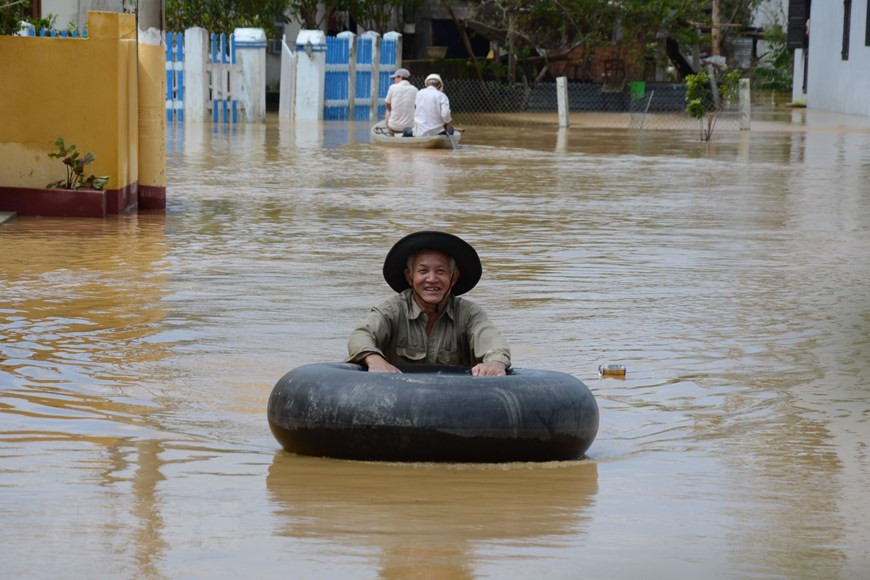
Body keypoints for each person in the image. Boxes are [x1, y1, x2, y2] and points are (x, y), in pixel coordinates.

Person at [348, 231, 511, 377]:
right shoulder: (391, 310)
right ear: (409, 276)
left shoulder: (469, 314)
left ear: (454, 278)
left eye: (441, 271)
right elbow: (361, 336)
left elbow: (492, 340)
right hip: (398, 397)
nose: (432, 279)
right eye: (423, 271)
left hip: (454, 397)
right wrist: (375, 360)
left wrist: (495, 363)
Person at [384, 68, 417, 136]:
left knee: (387, 110)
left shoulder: (392, 87)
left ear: (400, 77)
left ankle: (390, 133)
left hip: (394, 127)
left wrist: (390, 110)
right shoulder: (415, 89)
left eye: (394, 78)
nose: (394, 80)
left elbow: (387, 104)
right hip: (410, 127)